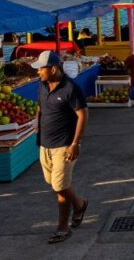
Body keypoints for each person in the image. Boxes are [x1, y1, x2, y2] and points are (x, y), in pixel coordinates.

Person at [34, 51, 89, 244]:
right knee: (55, 184)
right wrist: (36, 125)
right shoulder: (41, 85)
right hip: (45, 145)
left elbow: (82, 115)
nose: (38, 72)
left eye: (41, 68)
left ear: (53, 69)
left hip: (64, 146)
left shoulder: (70, 88)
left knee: (60, 186)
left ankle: (62, 228)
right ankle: (80, 204)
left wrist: (75, 143)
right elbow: (40, 107)